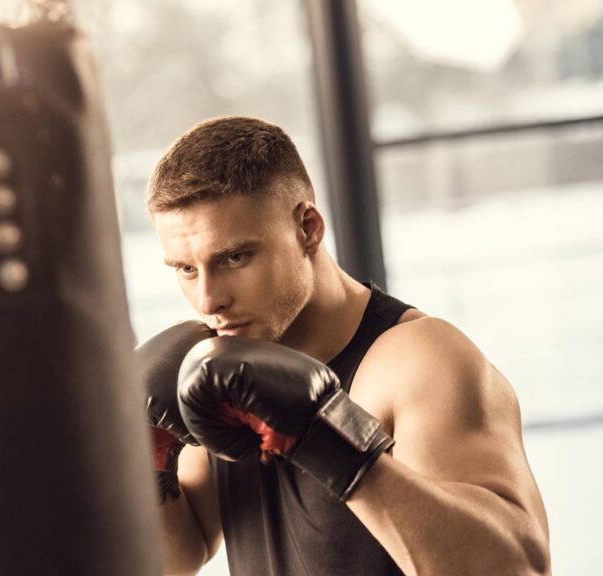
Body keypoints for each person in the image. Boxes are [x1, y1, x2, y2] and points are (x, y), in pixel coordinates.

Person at [138, 116, 551, 576]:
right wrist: (145, 458)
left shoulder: (417, 362)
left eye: (235, 257)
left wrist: (333, 440)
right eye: (186, 270)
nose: (209, 300)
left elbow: (516, 569)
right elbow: (178, 556)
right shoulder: (218, 374)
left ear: (308, 228)